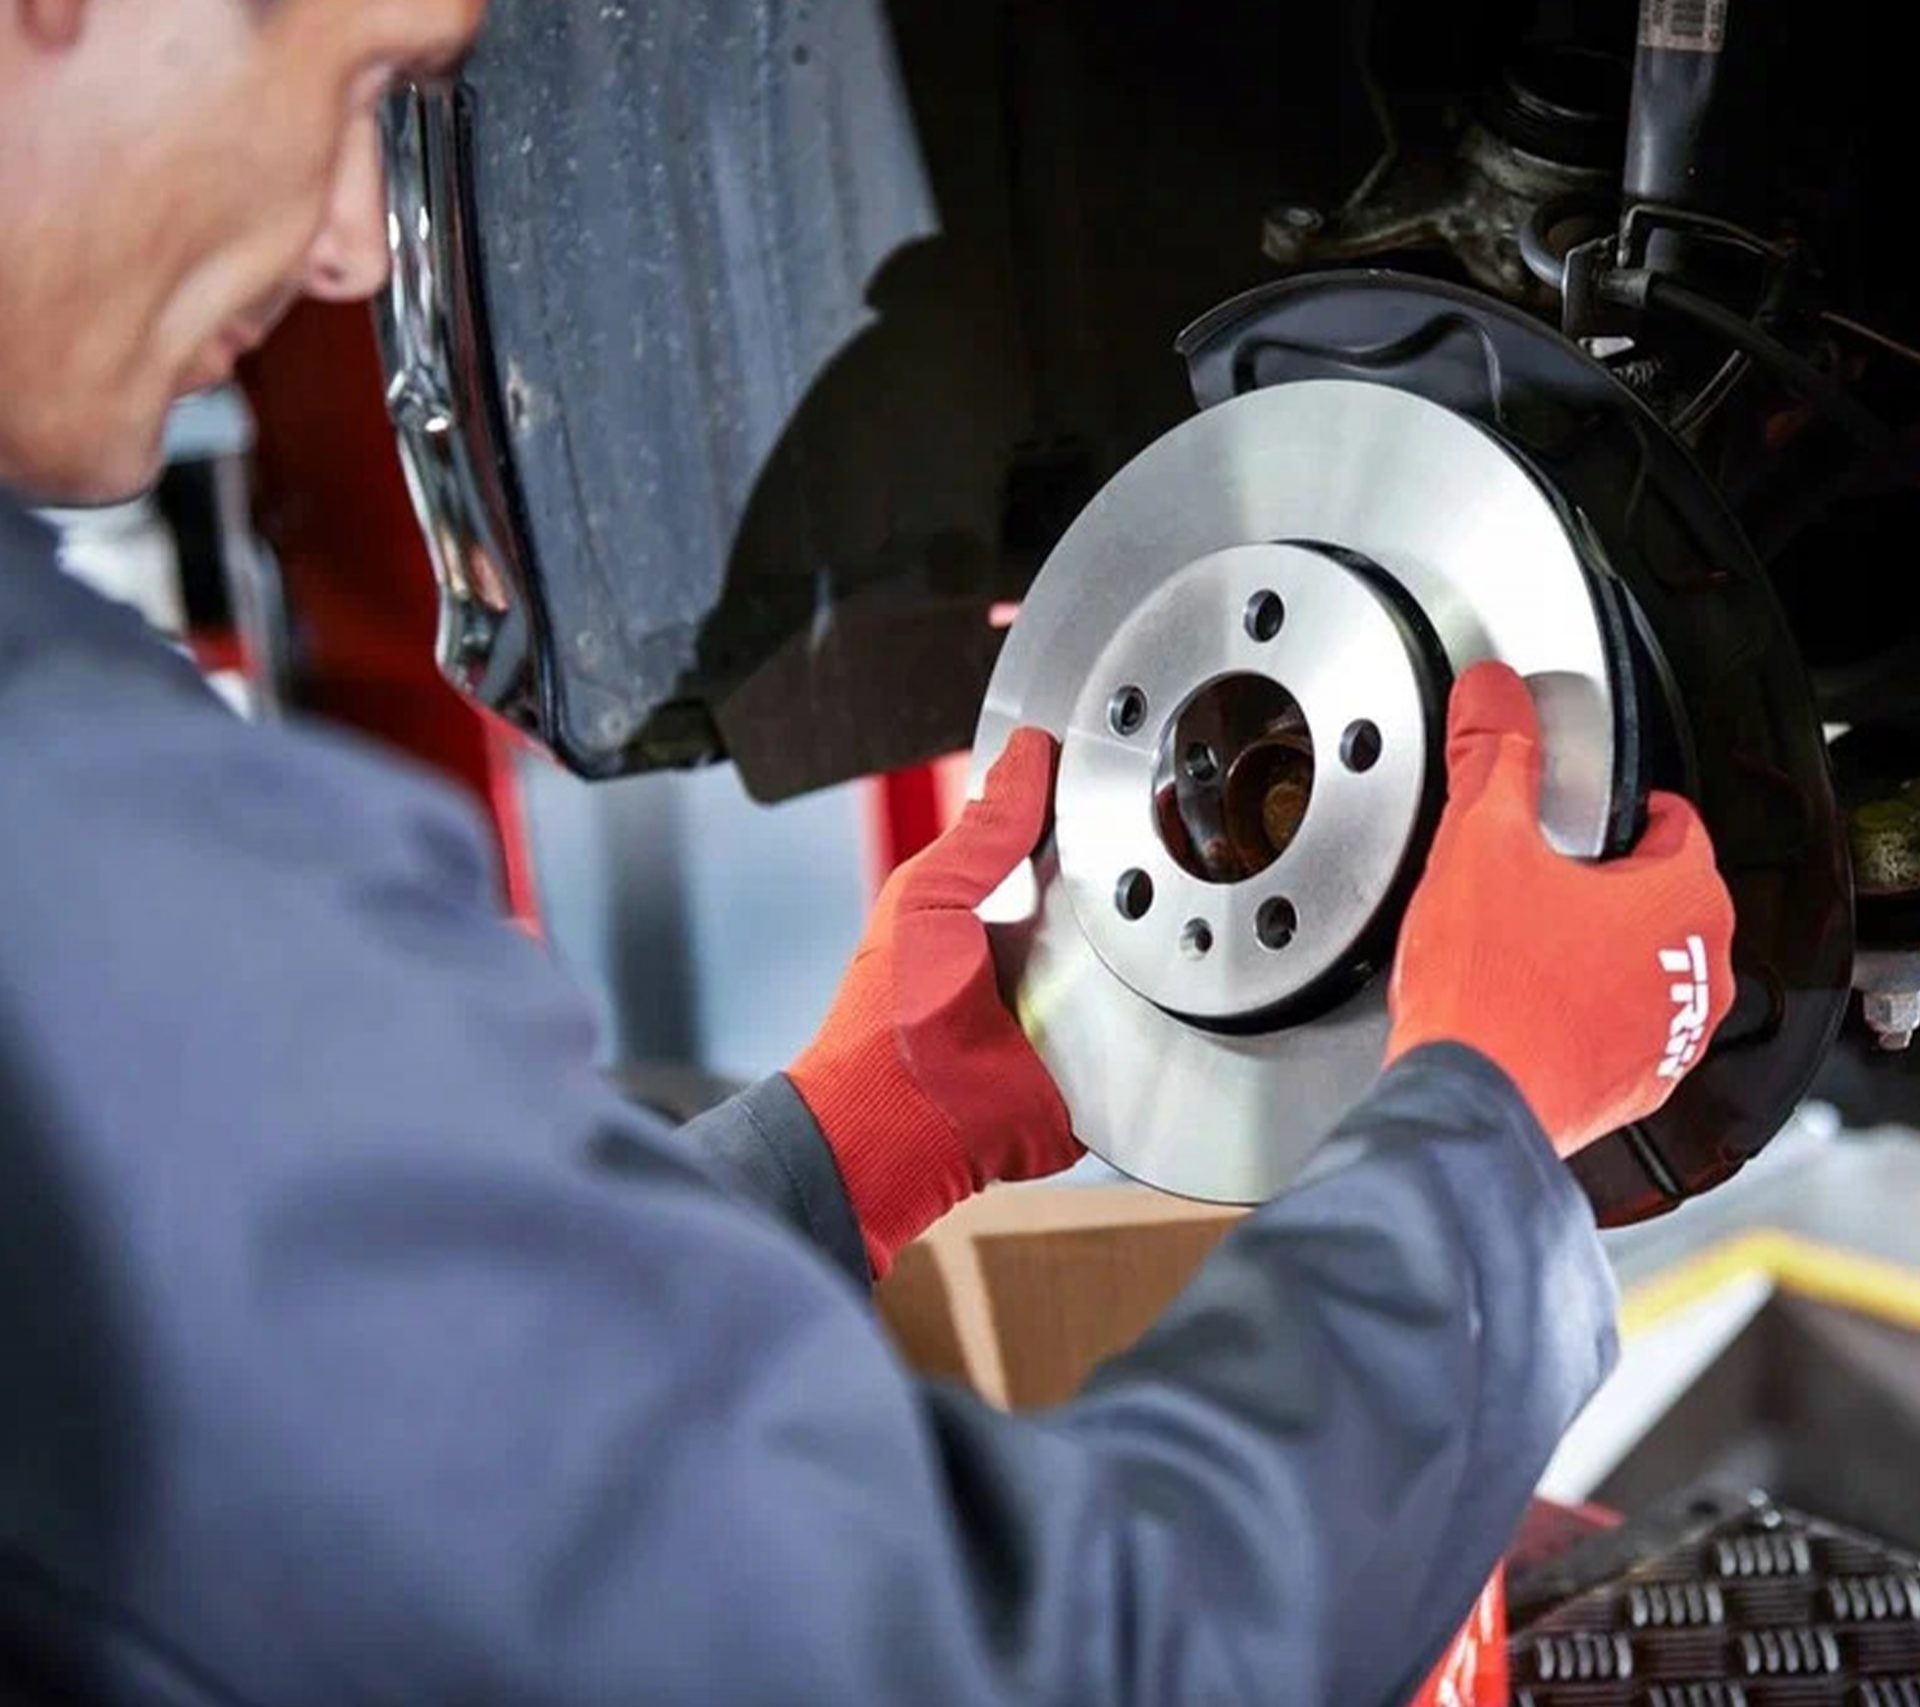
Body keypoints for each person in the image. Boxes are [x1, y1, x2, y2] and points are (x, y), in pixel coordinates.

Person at [0, 2, 1739, 1702]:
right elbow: (1031, 1660)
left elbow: (352, 1432)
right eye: (360, 78)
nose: (344, 254)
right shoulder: (89, 854)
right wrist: (1478, 1133)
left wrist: (841, 1140)